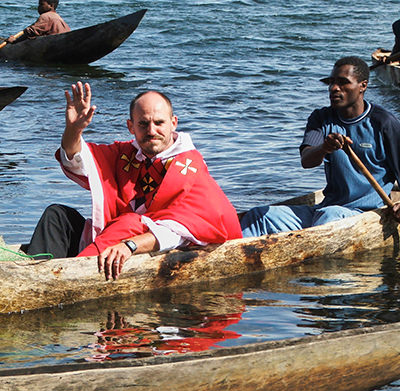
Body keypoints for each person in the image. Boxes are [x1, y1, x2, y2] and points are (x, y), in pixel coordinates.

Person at [25, 82, 242, 279]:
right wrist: (74, 130)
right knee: (57, 215)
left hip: (144, 245)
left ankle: (59, 276)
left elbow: (180, 233)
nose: (152, 131)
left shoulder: (189, 167)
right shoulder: (125, 153)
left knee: (129, 223)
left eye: (159, 123)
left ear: (173, 123)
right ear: (131, 127)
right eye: (143, 124)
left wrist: (129, 246)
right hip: (111, 237)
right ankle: (34, 274)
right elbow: (76, 159)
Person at [240, 56, 400, 238]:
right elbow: (307, 161)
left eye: (342, 83)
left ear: (363, 86)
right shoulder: (320, 118)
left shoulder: (384, 123)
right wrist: (325, 147)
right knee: (259, 216)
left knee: (329, 216)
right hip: (325, 210)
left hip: (364, 214)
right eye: (331, 82)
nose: (334, 88)